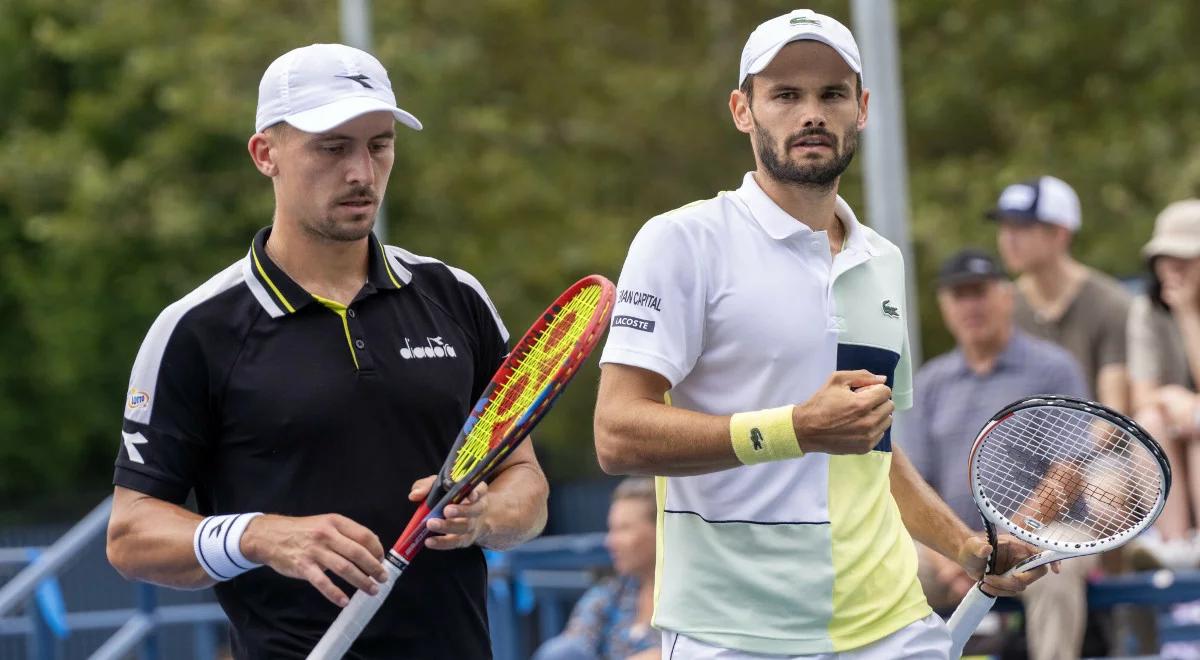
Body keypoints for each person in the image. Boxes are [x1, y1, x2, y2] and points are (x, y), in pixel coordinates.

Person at [593, 10, 1047, 659]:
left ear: (862, 108)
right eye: (785, 95)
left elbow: (875, 453)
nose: (812, 113)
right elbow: (616, 434)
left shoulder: (882, 260)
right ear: (742, 110)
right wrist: (795, 429)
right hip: (733, 632)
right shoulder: (681, 241)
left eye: (832, 93)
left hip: (891, 624)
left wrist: (966, 546)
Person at [104, 43, 549, 658]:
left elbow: (526, 483)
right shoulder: (195, 328)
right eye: (332, 147)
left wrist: (486, 516)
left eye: (379, 144)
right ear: (266, 154)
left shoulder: (456, 297)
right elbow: (130, 535)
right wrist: (259, 537)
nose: (362, 173)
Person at [904, 249, 1091, 660]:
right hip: (954, 539)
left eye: (980, 292)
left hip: (1047, 530)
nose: (970, 305)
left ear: (1007, 297)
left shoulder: (1052, 368)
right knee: (889, 568)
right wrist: (954, 549)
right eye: (958, 295)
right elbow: (915, 483)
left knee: (1056, 576)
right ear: (944, 306)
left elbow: (1069, 472)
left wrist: (1010, 537)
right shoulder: (930, 383)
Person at [989, 175, 1132, 414]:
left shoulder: (1111, 303)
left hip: (1096, 448)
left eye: (1021, 227)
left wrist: (1070, 451)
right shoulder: (1003, 305)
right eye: (1004, 228)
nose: (1007, 239)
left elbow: (1113, 412)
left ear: (1060, 234)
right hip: (1017, 446)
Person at [1127, 199, 1200, 569]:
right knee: (1150, 421)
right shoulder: (1146, 309)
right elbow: (1143, 394)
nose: (1171, 268)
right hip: (1174, 426)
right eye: (1164, 258)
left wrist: (1187, 313)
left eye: (1184, 258)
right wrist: (1173, 398)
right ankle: (1178, 545)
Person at [533, 477, 660, 660]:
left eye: (624, 529)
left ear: (660, 530)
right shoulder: (612, 594)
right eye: (611, 529)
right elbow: (573, 643)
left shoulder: (691, 599)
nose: (610, 542)